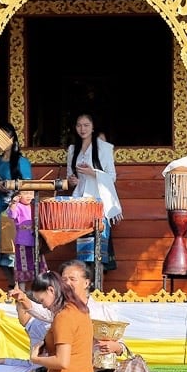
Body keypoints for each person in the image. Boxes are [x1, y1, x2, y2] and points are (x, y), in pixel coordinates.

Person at [65, 114, 121, 272]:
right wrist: (72, 180)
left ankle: (99, 288)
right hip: (80, 201)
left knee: (99, 247)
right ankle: (86, 289)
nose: (82, 129)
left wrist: (93, 173)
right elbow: (70, 176)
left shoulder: (104, 147)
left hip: (98, 201)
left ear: (93, 127)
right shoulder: (72, 149)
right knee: (84, 249)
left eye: (86, 125)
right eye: (79, 125)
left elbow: (112, 176)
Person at [0, 121, 32, 284]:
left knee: (13, 251)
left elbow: (28, 187)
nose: (2, 140)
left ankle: (20, 287)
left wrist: (15, 191)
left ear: (13, 139)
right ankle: (12, 285)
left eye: (6, 137)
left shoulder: (21, 161)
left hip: (16, 211)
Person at [6, 189, 45, 285]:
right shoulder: (18, 206)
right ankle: (22, 290)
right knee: (22, 265)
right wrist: (14, 203)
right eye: (25, 193)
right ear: (19, 195)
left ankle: (38, 289)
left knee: (38, 266)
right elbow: (12, 215)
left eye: (31, 193)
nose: (28, 196)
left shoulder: (35, 205)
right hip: (23, 241)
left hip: (36, 240)